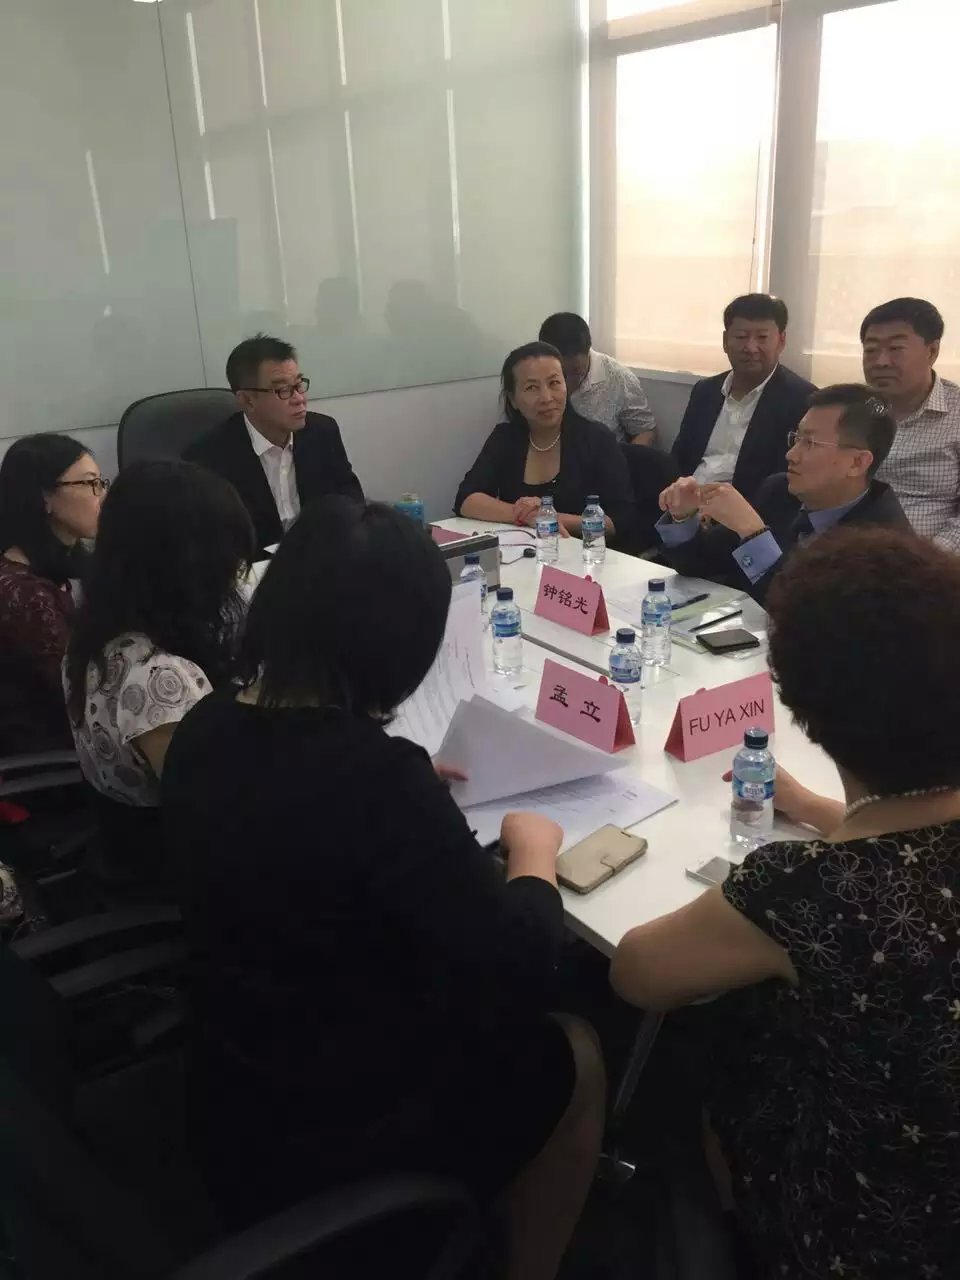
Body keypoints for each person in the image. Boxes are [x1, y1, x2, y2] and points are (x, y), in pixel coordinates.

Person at [163, 498, 605, 1280]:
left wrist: (401, 789)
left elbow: (293, 815)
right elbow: (521, 968)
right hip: (339, 1121)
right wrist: (534, 857)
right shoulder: (377, 781)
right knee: (576, 1049)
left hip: (230, 1073)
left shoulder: (203, 726)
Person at [611, 526, 960, 1278]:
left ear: (798, 702)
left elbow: (637, 973)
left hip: (867, 1234)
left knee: (707, 1042)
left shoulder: (804, 888)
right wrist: (829, 811)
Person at [63, 461, 254, 881]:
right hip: (170, 875)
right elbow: (218, 822)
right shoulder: (160, 679)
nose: (236, 571)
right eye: (228, 556)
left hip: (125, 844)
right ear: (187, 563)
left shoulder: (98, 631)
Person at [656, 384, 910, 604]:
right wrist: (683, 516)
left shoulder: (886, 543)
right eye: (796, 438)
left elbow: (809, 612)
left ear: (857, 463)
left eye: (810, 443)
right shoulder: (779, 490)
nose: (791, 454)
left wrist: (753, 533)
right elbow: (701, 564)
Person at [184, 333, 363, 553]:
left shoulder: (322, 432)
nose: (299, 399)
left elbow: (351, 502)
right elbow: (212, 540)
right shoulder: (208, 458)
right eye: (283, 390)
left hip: (319, 559)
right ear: (247, 400)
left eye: (299, 385)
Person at [455, 341, 636, 542]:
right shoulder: (506, 437)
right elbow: (466, 499)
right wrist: (526, 515)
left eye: (554, 383)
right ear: (513, 399)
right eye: (531, 387)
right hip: (522, 552)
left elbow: (619, 522)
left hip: (582, 553)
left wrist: (549, 518)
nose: (546, 397)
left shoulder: (596, 439)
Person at [0, 435, 105, 755]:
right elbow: (77, 692)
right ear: (44, 497)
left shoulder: (71, 562)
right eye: (89, 484)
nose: (101, 495)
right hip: (55, 751)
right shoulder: (23, 594)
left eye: (101, 483)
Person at [671, 294, 815, 501]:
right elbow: (680, 458)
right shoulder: (705, 391)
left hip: (748, 510)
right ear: (725, 341)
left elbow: (786, 482)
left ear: (781, 341)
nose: (750, 348)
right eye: (741, 337)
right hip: (688, 503)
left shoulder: (803, 399)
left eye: (762, 337)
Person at [861, 297, 960, 550]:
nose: (881, 361)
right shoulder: (852, 408)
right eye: (871, 350)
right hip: (851, 553)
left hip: (933, 561)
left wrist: (928, 559)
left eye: (895, 348)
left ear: (932, 351)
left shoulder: (956, 414)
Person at [538, 312, 657, 445]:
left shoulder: (618, 377)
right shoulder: (533, 375)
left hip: (603, 454)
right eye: (563, 372)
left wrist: (620, 458)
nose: (568, 380)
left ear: (588, 348)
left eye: (576, 371)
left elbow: (645, 431)